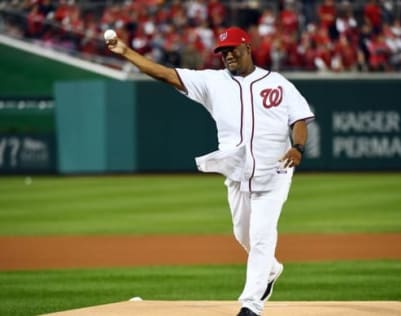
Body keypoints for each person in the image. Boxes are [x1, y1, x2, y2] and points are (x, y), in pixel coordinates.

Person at [106, 26, 314, 316]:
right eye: (223, 51)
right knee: (243, 235)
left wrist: (298, 147)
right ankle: (271, 269)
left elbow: (300, 118)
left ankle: (251, 305)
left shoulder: (277, 82)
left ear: (247, 48)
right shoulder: (212, 83)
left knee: (261, 236)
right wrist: (126, 52)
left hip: (275, 172)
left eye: (232, 49)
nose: (227, 55)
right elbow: (165, 74)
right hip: (238, 175)